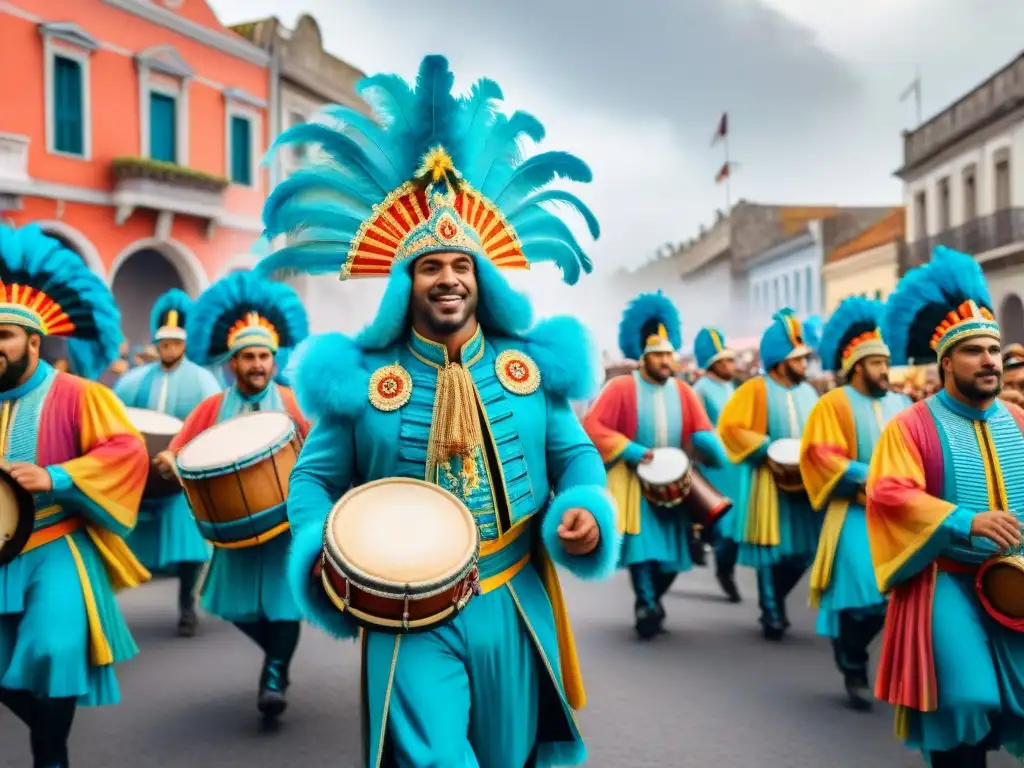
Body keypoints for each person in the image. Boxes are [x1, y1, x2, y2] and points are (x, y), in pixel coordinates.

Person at [256, 54, 618, 767]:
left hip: (513, 599)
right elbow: (312, 481)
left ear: (482, 279)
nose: (449, 278)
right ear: (405, 281)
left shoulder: (530, 368)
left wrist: (582, 507)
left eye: (462, 266)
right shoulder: (360, 381)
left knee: (510, 755)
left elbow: (572, 454)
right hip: (406, 610)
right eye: (431, 266)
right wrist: (327, 546)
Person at [868, 246, 1024, 768]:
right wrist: (965, 519)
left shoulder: (1018, 420)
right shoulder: (910, 425)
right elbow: (890, 493)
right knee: (965, 700)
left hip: (1016, 577)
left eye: (994, 349)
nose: (989, 360)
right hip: (945, 578)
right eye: (973, 351)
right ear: (945, 361)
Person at [0, 223, 150, 767]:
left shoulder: (79, 393)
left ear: (33, 342)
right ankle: (50, 740)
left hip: (57, 544)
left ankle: (52, 756)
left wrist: (57, 477)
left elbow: (126, 450)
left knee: (52, 649)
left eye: (4, 336)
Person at [150, 271, 309, 724]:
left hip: (286, 525)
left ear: (274, 361)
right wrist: (168, 463)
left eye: (264, 356)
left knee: (284, 607)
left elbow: (322, 454)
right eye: (248, 357)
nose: (257, 364)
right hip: (233, 528)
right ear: (232, 363)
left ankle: (275, 672)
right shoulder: (211, 407)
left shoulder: (296, 404)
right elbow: (176, 451)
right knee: (233, 608)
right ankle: (275, 656)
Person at [583, 293, 725, 638]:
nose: (666, 361)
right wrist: (632, 451)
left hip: (676, 480)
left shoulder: (684, 391)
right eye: (658, 355)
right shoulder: (620, 388)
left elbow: (701, 429)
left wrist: (711, 447)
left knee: (673, 557)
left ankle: (655, 596)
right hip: (634, 480)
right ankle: (645, 602)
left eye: (668, 355)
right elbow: (593, 427)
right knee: (643, 550)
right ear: (643, 358)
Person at [797, 297, 910, 711]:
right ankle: (852, 661)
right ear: (859, 366)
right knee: (863, 594)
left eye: (887, 362)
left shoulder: (902, 404)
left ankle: (853, 654)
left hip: (897, 516)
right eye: (878, 363)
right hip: (853, 513)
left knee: (892, 600)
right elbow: (820, 454)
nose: (886, 370)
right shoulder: (833, 403)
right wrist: (872, 473)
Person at [114, 289, 221, 637]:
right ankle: (108, 609)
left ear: (184, 344)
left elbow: (210, 424)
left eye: (174, 343)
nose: (168, 349)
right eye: (163, 343)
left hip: (182, 477)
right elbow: (116, 418)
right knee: (117, 539)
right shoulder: (132, 380)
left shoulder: (203, 380)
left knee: (191, 547)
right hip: (142, 475)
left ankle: (187, 605)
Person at [717, 308, 820, 640]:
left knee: (805, 552)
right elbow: (731, 428)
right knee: (770, 548)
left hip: (804, 481)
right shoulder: (754, 389)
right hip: (767, 479)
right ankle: (771, 610)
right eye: (799, 358)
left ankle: (775, 597)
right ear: (781, 360)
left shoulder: (809, 392)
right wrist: (766, 448)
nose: (805, 364)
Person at [691, 326, 746, 603]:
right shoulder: (700, 389)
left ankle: (723, 563)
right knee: (724, 524)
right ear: (714, 364)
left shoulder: (731, 387)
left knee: (734, 525)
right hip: (714, 467)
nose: (732, 365)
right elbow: (696, 429)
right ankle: (725, 571)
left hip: (735, 467)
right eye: (726, 361)